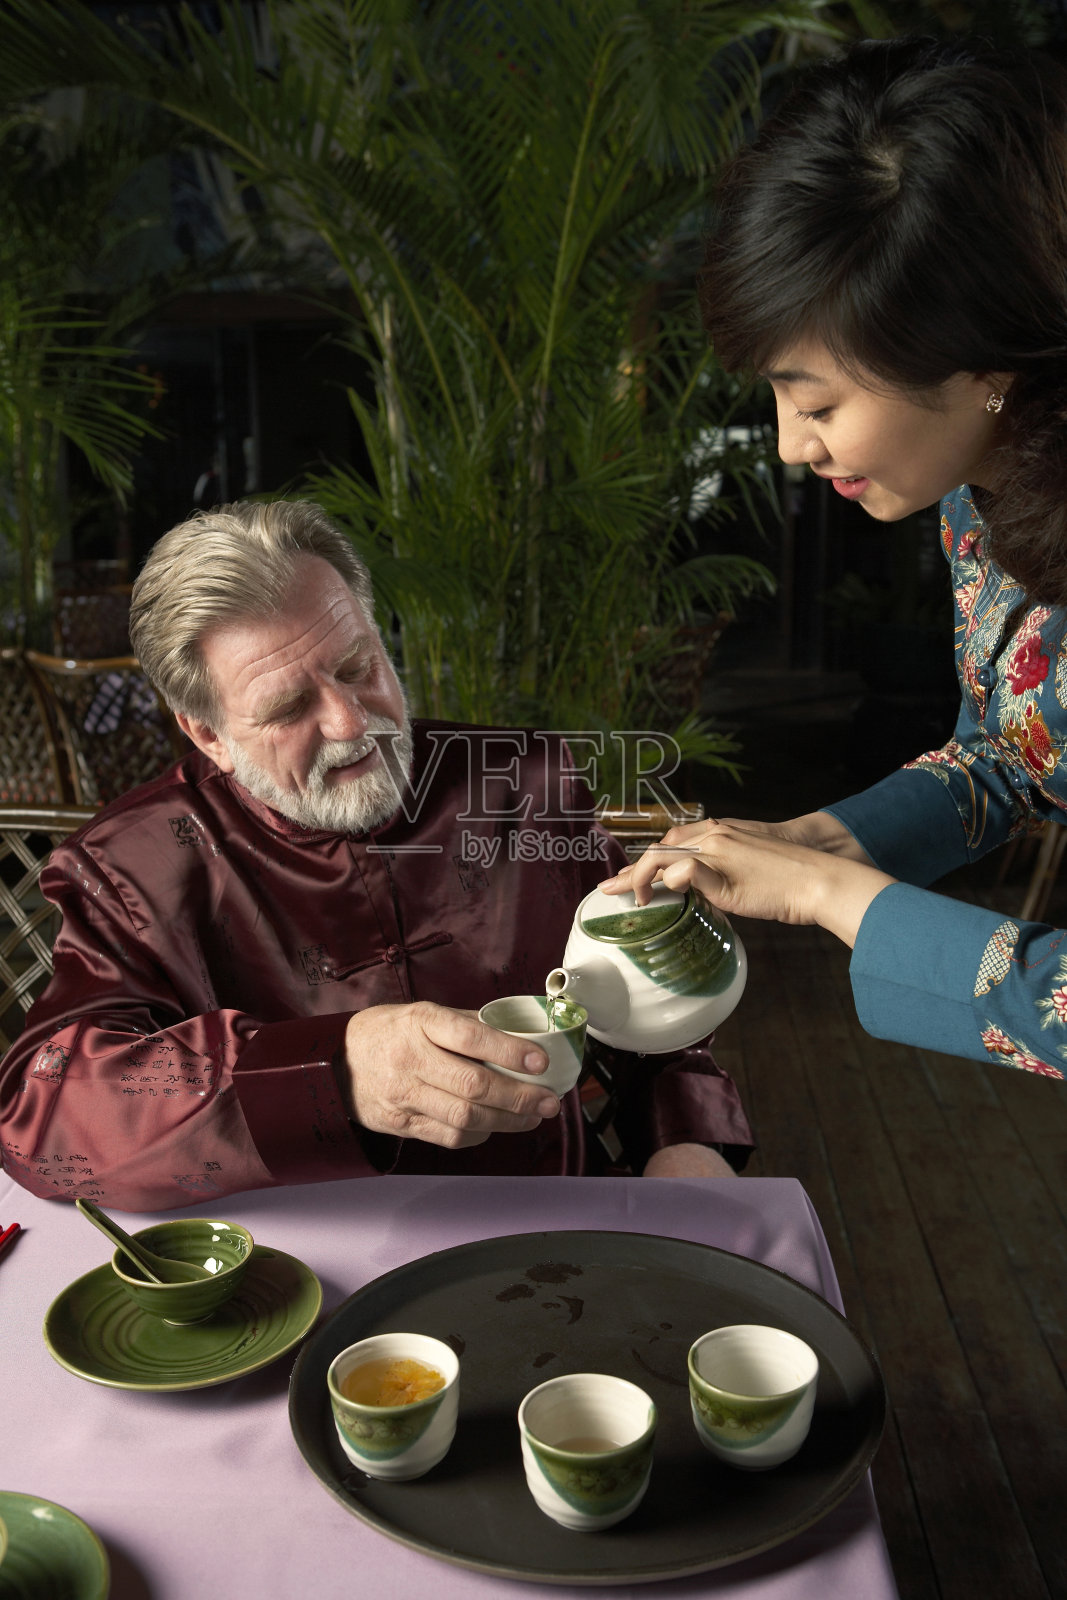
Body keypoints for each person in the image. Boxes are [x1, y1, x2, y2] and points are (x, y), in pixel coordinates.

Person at [0, 500, 752, 1210]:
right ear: (207, 734)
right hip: (285, 1265)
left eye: (358, 666)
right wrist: (330, 1075)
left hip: (546, 1210)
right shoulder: (132, 864)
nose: (350, 720)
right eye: (290, 708)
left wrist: (685, 1138)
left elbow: (645, 1008)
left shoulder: (524, 781)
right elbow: (44, 1117)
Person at [605, 36, 1067, 1082]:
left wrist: (835, 901)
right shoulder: (980, 493)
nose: (786, 444)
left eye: (815, 403)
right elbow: (1009, 754)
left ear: (977, 362)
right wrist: (815, 842)